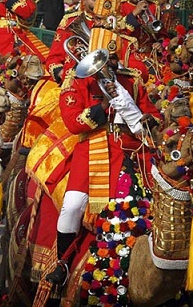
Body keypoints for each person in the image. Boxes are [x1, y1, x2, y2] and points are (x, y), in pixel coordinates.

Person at [46, 28, 161, 286]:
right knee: (73, 205)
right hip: (93, 149)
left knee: (160, 193)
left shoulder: (131, 80)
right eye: (102, 59)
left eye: (112, 59)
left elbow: (150, 111)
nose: (108, 65)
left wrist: (148, 119)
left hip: (131, 147)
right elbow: (74, 123)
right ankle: (62, 264)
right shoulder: (76, 81)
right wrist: (102, 107)